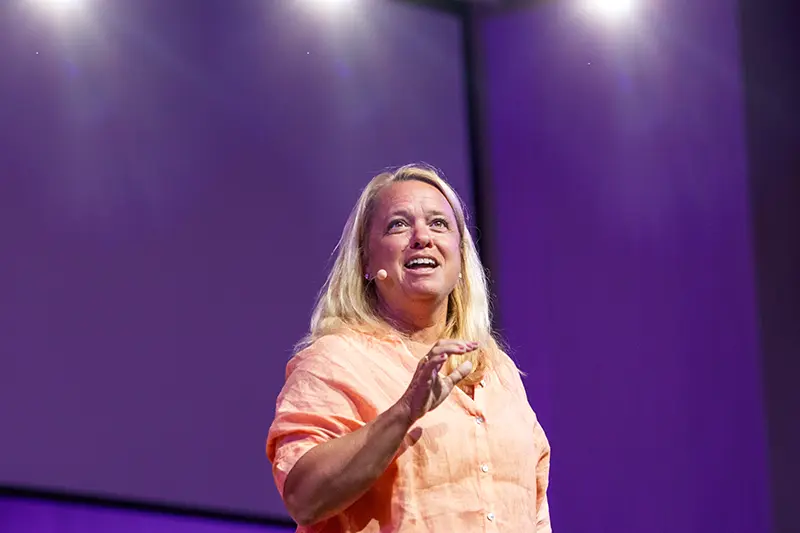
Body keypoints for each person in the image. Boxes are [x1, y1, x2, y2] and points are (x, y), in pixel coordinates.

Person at [266, 164, 551, 532]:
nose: (421, 237)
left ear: (461, 257)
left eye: (438, 224)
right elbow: (304, 498)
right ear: (366, 261)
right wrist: (404, 412)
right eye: (398, 225)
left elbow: (536, 514)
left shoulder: (500, 373)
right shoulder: (336, 360)